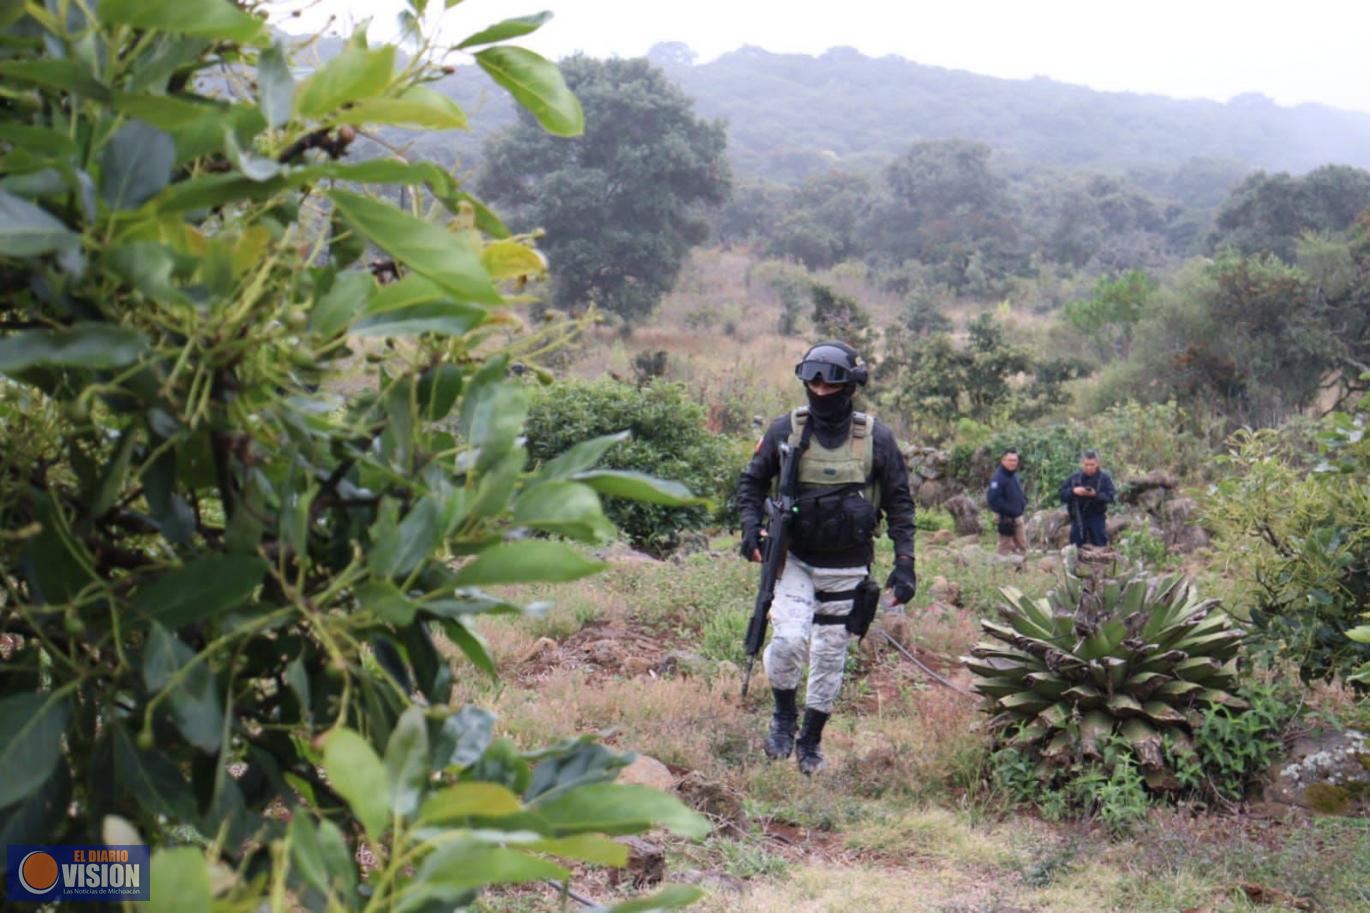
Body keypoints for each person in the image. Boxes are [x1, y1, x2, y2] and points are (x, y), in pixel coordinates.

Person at [736, 341, 917, 775]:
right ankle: (783, 716)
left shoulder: (876, 437)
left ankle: (811, 740)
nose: (819, 391)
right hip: (794, 559)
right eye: (811, 382)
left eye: (829, 383)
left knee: (831, 654)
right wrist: (749, 528)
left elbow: (900, 502)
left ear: (850, 387)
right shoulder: (786, 430)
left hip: (849, 564)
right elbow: (751, 484)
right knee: (787, 640)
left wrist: (905, 562)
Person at [1058, 449, 1116, 547]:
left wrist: (1095, 495)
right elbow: (1062, 494)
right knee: (1075, 547)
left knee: (1100, 544)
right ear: (1082, 464)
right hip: (1078, 516)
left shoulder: (1104, 478)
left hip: (1096, 515)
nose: (1089, 468)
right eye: (1086, 465)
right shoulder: (1075, 477)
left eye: (1092, 465)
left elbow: (1111, 496)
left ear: (1097, 464)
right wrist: (1074, 491)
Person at [987, 448, 1027, 555]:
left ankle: (1021, 570)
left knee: (1022, 546)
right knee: (1005, 547)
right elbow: (993, 500)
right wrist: (1010, 511)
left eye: (1015, 460)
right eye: (1010, 460)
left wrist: (1023, 502)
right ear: (1003, 460)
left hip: (1018, 516)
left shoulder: (1013, 475)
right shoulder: (998, 478)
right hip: (1005, 518)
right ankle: (1002, 570)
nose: (1012, 463)